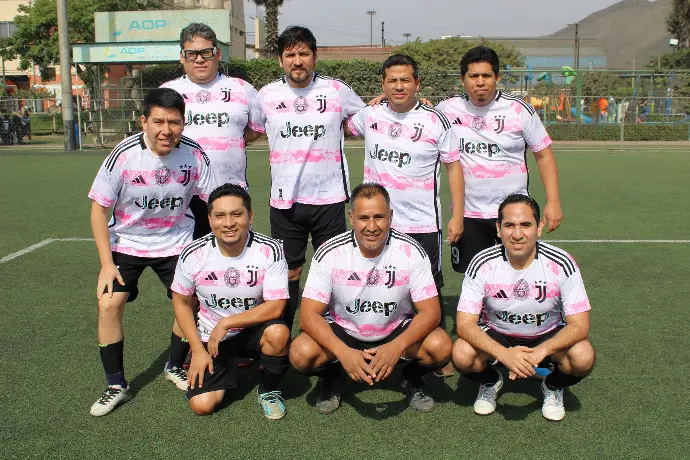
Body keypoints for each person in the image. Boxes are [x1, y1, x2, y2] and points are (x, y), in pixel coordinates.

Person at [88, 88, 218, 417]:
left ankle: (174, 365)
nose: (166, 130)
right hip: (127, 242)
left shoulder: (194, 154)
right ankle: (116, 384)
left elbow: (214, 201)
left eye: (174, 122)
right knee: (108, 303)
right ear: (143, 121)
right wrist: (107, 265)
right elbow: (98, 210)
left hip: (176, 240)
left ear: (184, 123)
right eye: (158, 122)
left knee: (190, 301)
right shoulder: (124, 154)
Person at [344, 53, 464, 377]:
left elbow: (454, 167)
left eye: (405, 80)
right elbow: (341, 125)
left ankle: (431, 352)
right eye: (392, 81)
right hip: (377, 225)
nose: (399, 86)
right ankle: (370, 342)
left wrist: (457, 214)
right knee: (378, 285)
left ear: (417, 83)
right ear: (383, 84)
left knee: (428, 290)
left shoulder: (436, 120)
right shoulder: (369, 115)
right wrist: (369, 103)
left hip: (423, 223)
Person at [289, 183, 452, 414]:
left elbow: (431, 312)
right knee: (300, 353)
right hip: (345, 331)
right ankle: (333, 376)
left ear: (390, 216)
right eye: (364, 218)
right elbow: (308, 316)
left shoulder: (411, 251)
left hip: (395, 330)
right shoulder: (330, 252)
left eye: (379, 217)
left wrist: (396, 346)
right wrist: (343, 351)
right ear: (351, 218)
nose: (372, 227)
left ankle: (411, 377)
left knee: (441, 346)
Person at [247, 26, 366, 331]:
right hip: (285, 202)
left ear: (314, 56)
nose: (297, 61)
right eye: (290, 55)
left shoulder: (337, 90)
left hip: (329, 199)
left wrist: (400, 106)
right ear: (280, 60)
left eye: (303, 53)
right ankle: (281, 337)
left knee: (332, 271)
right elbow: (250, 131)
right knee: (288, 273)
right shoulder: (266, 95)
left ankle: (334, 336)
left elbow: (368, 118)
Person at [452, 194, 595, 421]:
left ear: (539, 227)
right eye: (509, 225)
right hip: (498, 334)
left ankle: (553, 384)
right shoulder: (482, 263)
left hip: (546, 334)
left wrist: (541, 351)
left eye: (525, 225)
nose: (517, 234)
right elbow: (465, 324)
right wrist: (503, 354)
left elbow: (579, 325)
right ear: (498, 229)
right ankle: (491, 381)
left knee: (583, 356)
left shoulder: (561, 263)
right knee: (462, 353)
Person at [435, 46, 562, 275]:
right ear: (462, 79)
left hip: (513, 213)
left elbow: (544, 156)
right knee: (474, 276)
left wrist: (553, 201)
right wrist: (386, 100)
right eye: (473, 76)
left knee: (518, 273)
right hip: (469, 214)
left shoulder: (519, 110)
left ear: (497, 77)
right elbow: (414, 115)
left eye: (487, 75)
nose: (480, 82)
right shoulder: (446, 110)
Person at [171, 184, 291, 419]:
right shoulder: (193, 253)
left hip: (253, 330)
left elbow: (276, 306)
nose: (228, 223)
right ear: (209, 219)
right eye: (220, 215)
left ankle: (269, 390)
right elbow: (181, 303)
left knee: (278, 333)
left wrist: (227, 322)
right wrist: (197, 349)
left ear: (250, 216)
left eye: (237, 214)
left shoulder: (270, 250)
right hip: (212, 338)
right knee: (202, 406)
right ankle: (227, 369)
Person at [161, 23, 261, 239]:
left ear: (218, 54)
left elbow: (255, 130)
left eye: (206, 52)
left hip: (230, 192)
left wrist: (228, 140)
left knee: (234, 253)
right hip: (181, 194)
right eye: (192, 54)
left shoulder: (243, 89)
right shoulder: (168, 92)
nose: (199, 59)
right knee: (185, 255)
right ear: (182, 57)